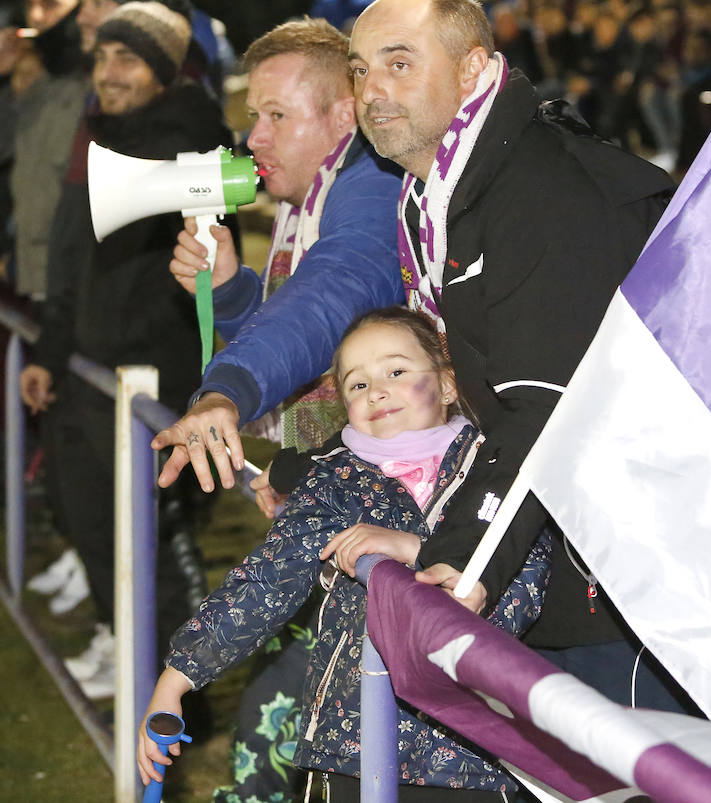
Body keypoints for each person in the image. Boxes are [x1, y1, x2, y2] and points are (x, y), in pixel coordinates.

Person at [347, 0, 689, 712]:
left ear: (472, 71)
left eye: (399, 63)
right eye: (359, 69)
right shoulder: (440, 194)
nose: (371, 89)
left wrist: (461, 559)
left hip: (634, 583)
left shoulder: (544, 190)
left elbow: (546, 408)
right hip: (558, 553)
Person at [139, 307, 549, 802]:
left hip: (476, 756)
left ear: (447, 385)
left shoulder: (495, 471)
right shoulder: (335, 479)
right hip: (350, 745)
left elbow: (523, 582)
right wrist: (178, 676)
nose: (376, 390)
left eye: (396, 372)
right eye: (357, 384)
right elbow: (266, 580)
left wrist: (422, 551)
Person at [18, 0, 231, 700]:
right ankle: (129, 646)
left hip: (153, 375)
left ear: (166, 73)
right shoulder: (97, 132)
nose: (108, 73)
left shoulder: (191, 128)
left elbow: (223, 190)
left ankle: (177, 693)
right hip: (89, 365)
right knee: (87, 517)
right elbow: (72, 257)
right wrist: (51, 347)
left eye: (128, 59)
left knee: (154, 539)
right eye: (103, 57)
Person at [151, 19, 403, 505]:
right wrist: (232, 292)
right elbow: (315, 342)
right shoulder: (311, 196)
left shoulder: (377, 186)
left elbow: (330, 300)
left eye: (277, 116)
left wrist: (228, 390)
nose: (254, 138)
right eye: (254, 115)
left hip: (392, 489)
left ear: (345, 116)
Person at [0, 0, 85, 299]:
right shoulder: (41, 87)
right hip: (34, 272)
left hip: (77, 277)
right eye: (30, 5)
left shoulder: (97, 88)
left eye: (49, 4)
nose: (35, 16)